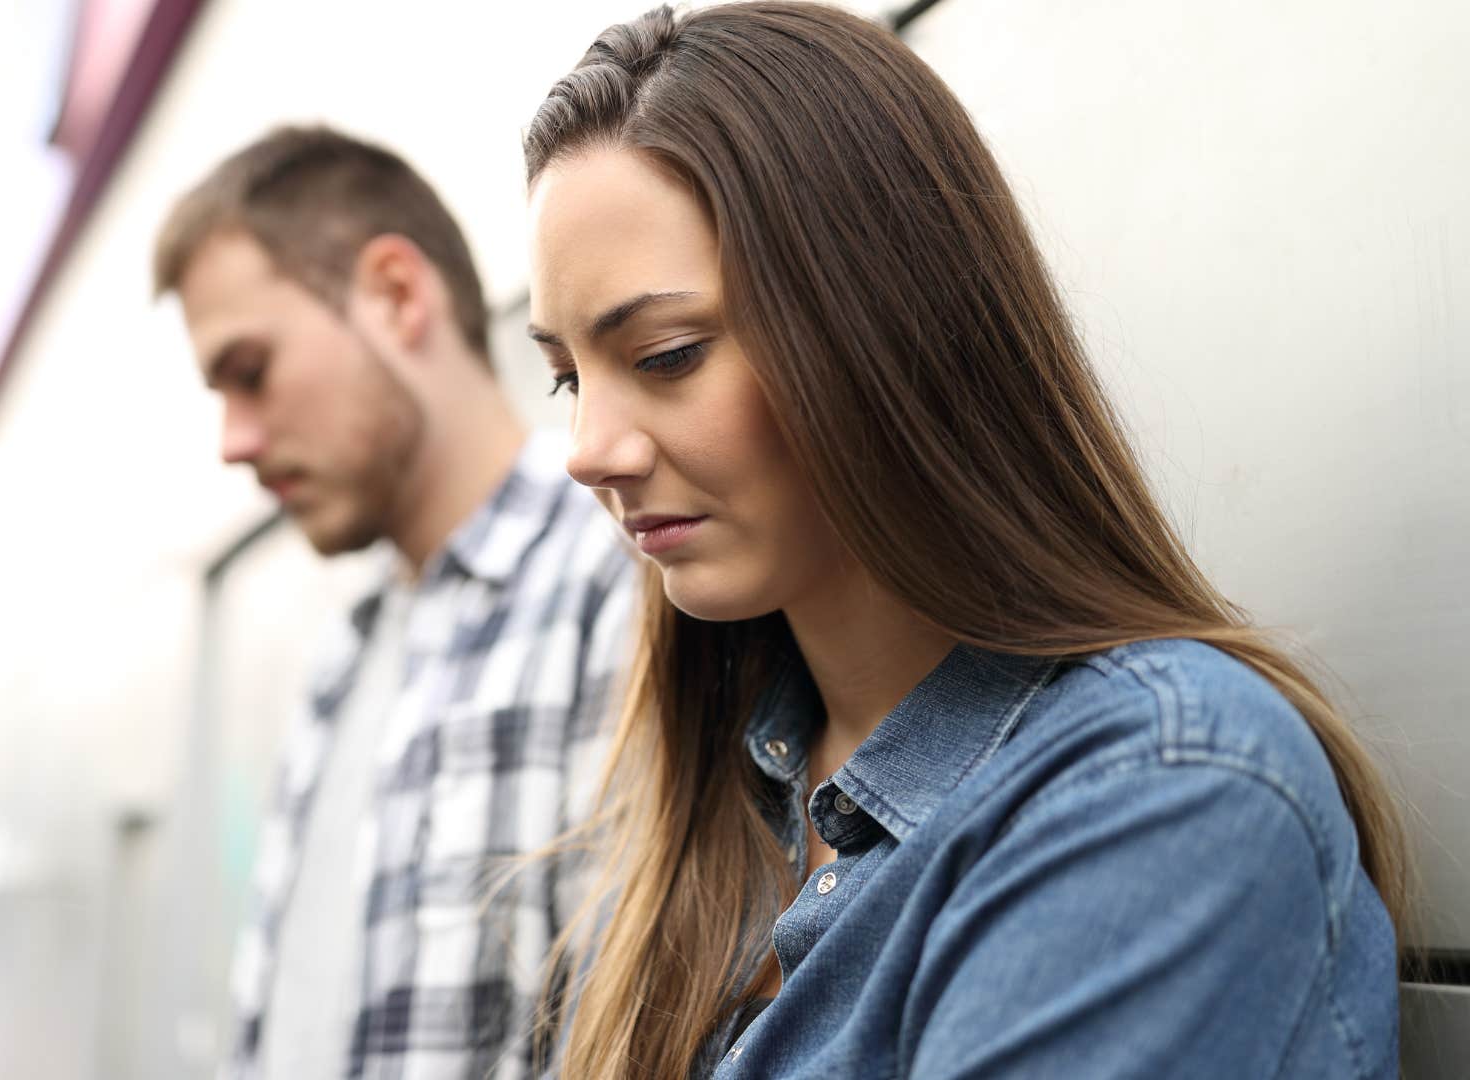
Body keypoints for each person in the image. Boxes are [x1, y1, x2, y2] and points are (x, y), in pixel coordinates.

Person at [520, 4, 1406, 1077]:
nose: (587, 449)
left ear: (879, 324)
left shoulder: (1155, 790)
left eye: (664, 355)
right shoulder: (699, 833)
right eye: (569, 376)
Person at [153, 126, 635, 1080]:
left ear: (397, 295)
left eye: (250, 372)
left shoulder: (614, 576)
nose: (233, 443)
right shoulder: (345, 655)